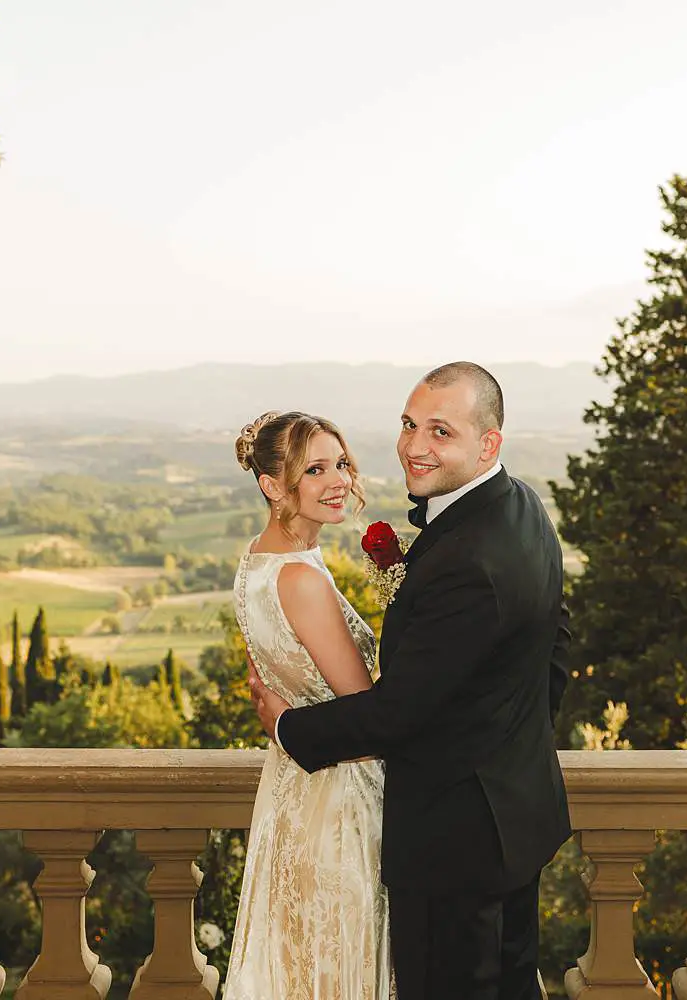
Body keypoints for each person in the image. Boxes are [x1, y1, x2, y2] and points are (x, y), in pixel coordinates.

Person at [251, 362, 572, 1000]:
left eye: (440, 431)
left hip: (452, 842)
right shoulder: (522, 506)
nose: (415, 445)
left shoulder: (468, 558)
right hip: (513, 818)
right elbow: (554, 643)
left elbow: (396, 714)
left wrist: (288, 726)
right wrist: (508, 734)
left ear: (488, 444)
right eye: (408, 424)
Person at [224, 409, 394, 999]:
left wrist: (282, 720)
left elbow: (265, 675)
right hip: (341, 800)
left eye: (341, 463)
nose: (338, 480)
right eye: (315, 469)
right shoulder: (301, 578)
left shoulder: (255, 562)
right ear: (273, 486)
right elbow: (371, 716)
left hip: (292, 794)